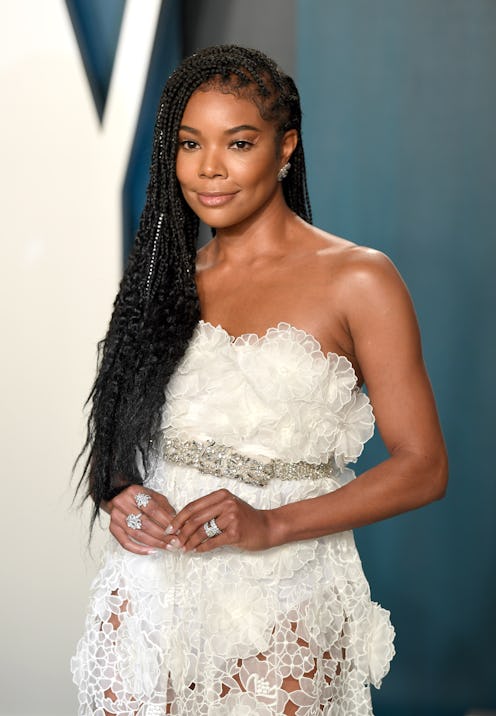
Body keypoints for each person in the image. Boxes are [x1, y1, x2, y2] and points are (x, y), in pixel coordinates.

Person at [72, 45, 448, 716]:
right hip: (152, 590)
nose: (209, 168)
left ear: (285, 148)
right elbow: (126, 430)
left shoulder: (359, 279)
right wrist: (120, 492)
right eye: (190, 144)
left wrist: (271, 524)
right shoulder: (168, 281)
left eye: (238, 143)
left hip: (284, 590)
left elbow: (423, 466)